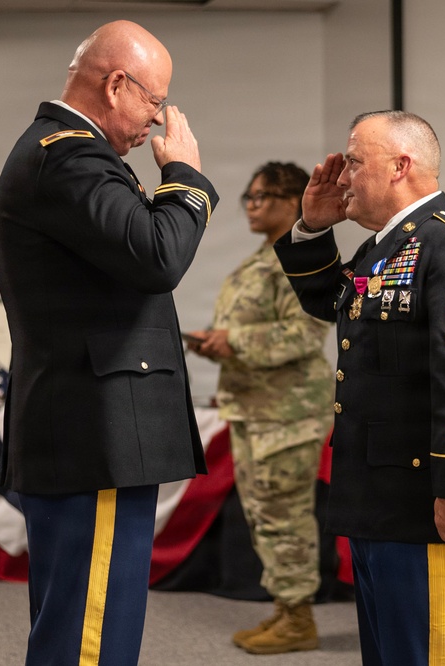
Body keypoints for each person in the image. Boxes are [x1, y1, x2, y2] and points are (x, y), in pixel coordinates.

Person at [0, 20, 218, 666]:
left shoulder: (69, 155)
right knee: (91, 641)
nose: (158, 119)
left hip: (89, 436)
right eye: (154, 100)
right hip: (96, 440)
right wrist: (186, 179)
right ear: (116, 84)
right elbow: (155, 256)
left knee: (79, 631)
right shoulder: (69, 156)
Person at [274, 110, 445, 666]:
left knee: (424, 657)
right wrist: (312, 227)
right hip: (379, 502)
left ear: (400, 166)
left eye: (355, 162)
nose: (342, 177)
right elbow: (334, 305)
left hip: (425, 505)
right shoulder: (386, 248)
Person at [185, 162, 334, 655]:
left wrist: (233, 341)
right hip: (256, 409)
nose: (252, 204)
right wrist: (218, 343)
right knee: (266, 517)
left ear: (294, 202)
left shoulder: (299, 262)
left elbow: (307, 333)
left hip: (286, 415)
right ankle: (286, 611)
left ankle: (299, 619)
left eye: (264, 196)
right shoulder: (260, 261)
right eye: (248, 196)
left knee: (285, 517)